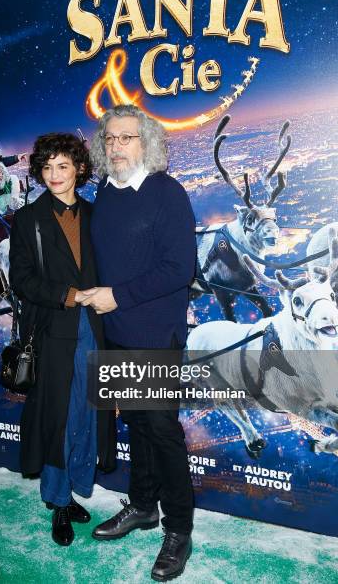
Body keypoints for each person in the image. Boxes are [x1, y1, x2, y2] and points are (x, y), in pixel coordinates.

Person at [79, 104, 196, 581]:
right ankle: (144, 507)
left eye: (126, 138)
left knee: (163, 432)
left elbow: (179, 269)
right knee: (140, 428)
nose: (116, 146)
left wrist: (116, 296)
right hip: (119, 333)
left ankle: (180, 530)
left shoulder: (168, 193)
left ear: (147, 142)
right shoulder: (106, 192)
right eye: (109, 139)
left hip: (154, 335)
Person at [8, 132, 116, 548]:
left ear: (79, 169)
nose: (54, 175)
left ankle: (73, 488)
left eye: (62, 166)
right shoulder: (28, 219)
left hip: (95, 328)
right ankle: (57, 500)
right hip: (54, 330)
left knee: (89, 412)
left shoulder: (94, 215)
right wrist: (70, 295)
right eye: (47, 167)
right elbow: (22, 280)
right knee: (58, 417)